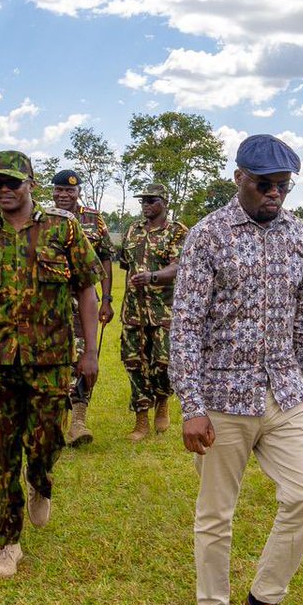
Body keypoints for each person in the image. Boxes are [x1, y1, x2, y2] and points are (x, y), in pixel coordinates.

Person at [171, 134, 303, 605]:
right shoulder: (207, 236)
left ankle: (264, 600)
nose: (275, 193)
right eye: (265, 184)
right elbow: (186, 324)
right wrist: (190, 404)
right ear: (239, 177)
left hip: (285, 391)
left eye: (284, 185)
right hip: (221, 397)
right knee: (217, 512)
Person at [0, 151, 101, 579]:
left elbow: (86, 291)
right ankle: (7, 542)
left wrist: (90, 352)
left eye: (12, 182)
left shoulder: (62, 229)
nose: (3, 190)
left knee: (46, 440)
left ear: (30, 184)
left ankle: (40, 480)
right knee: (3, 449)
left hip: (50, 357)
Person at [118, 183, 188, 440]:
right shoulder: (132, 231)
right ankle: (140, 421)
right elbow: (126, 265)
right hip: (134, 312)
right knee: (135, 364)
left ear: (164, 202)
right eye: (143, 200)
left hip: (164, 313)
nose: (146, 204)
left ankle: (162, 401)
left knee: (163, 363)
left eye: (152, 200)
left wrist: (152, 277)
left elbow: (180, 266)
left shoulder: (177, 232)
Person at [51, 170, 114, 447]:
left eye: (69, 191)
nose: (64, 195)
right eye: (59, 190)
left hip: (83, 303)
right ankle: (56, 421)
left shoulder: (93, 219)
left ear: (78, 193)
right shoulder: (45, 219)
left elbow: (105, 258)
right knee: (53, 359)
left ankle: (78, 420)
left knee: (85, 358)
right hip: (51, 304)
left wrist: (108, 298)